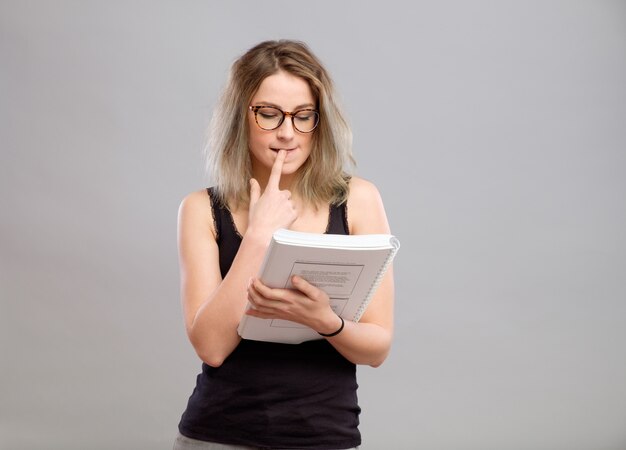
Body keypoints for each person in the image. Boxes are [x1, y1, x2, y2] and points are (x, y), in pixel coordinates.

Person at [174, 40, 395, 450]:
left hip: (326, 437)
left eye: (303, 116)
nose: (287, 133)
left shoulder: (359, 200)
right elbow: (211, 347)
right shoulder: (201, 209)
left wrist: (326, 321)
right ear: (241, 117)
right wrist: (259, 236)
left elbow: (378, 347)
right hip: (218, 435)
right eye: (269, 114)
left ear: (319, 120)